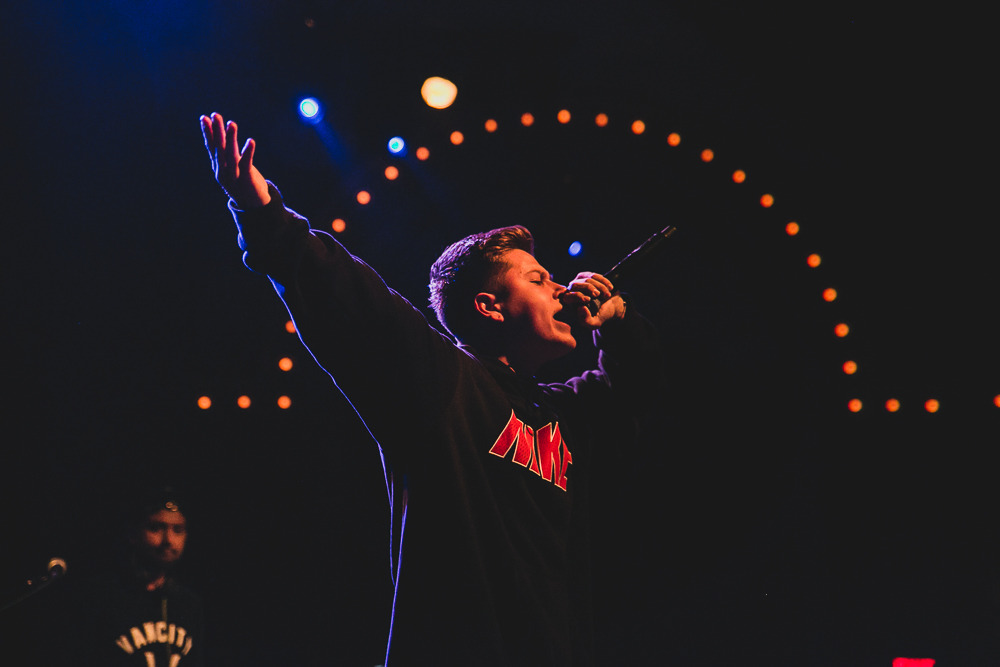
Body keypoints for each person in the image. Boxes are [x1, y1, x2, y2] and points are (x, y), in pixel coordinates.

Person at [199, 112, 664, 666]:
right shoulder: (443, 380)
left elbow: (639, 388)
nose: (562, 287)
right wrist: (261, 210)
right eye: (538, 279)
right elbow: (350, 300)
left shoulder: (562, 414)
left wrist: (618, 318)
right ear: (489, 306)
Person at [48, 486, 205, 666]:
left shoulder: (189, 604)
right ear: (133, 534)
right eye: (156, 528)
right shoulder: (99, 597)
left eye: (177, 530)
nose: (168, 540)